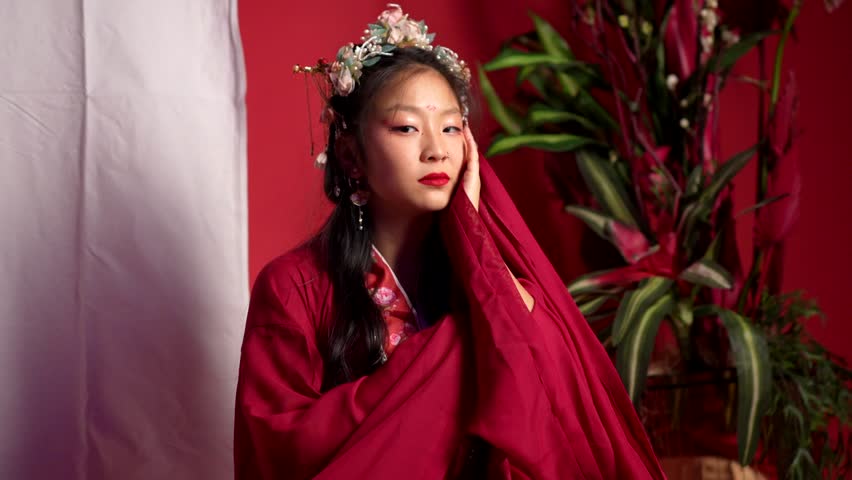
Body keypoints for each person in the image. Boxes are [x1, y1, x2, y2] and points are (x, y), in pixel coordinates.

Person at [234, 4, 665, 479]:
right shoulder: (294, 288)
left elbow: (549, 416)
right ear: (351, 153)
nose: (436, 148)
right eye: (407, 127)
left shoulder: (488, 281)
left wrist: (475, 236)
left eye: (451, 127)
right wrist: (452, 351)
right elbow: (279, 452)